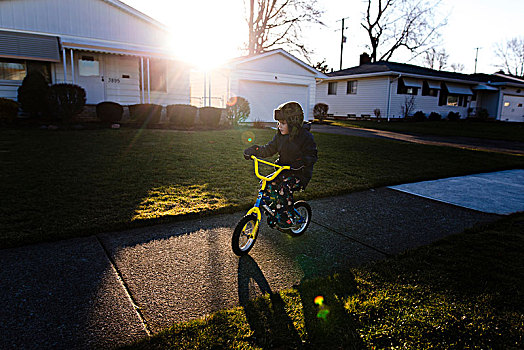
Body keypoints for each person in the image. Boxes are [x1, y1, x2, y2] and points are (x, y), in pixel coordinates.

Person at [243, 101, 318, 229]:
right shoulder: (280, 136)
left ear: (293, 123)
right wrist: (254, 150)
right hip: (283, 171)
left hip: (300, 174)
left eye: (283, 123)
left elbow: (312, 155)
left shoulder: (305, 137)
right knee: (265, 183)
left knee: (283, 188)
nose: (279, 126)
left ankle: (286, 218)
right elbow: (269, 149)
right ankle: (276, 211)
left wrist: (301, 162)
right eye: (278, 123)